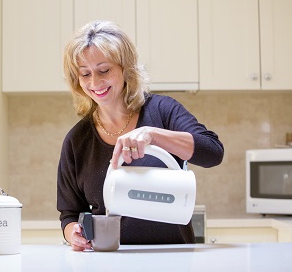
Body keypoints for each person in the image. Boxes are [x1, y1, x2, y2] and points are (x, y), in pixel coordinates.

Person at [57, 20, 224, 251]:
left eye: (104, 70)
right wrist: (72, 232)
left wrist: (153, 135)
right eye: (85, 74)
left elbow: (213, 152)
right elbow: (69, 213)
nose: (95, 82)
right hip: (110, 261)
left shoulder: (162, 111)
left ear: (125, 68)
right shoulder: (77, 140)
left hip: (175, 258)